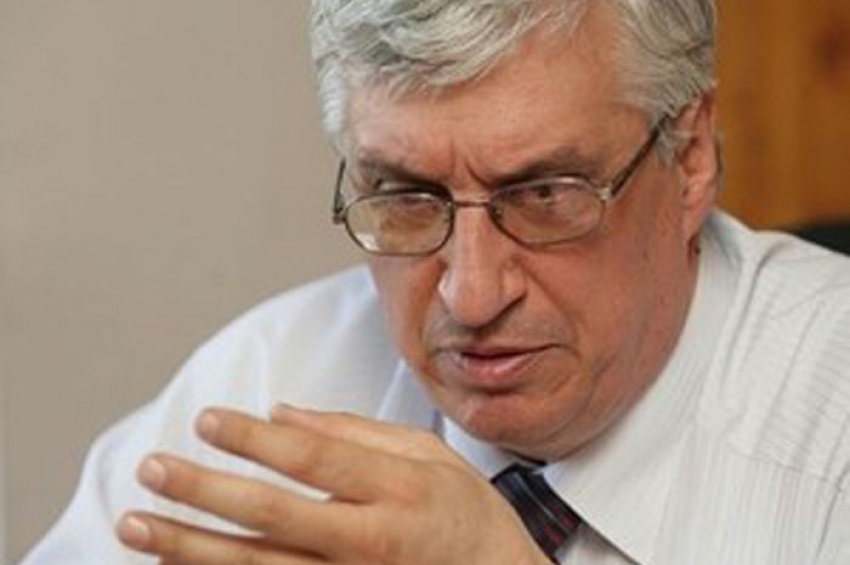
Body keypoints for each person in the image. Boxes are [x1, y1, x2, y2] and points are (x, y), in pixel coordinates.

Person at [20, 0, 850, 563]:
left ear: (691, 157)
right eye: (407, 197)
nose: (471, 296)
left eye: (545, 194)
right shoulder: (267, 384)